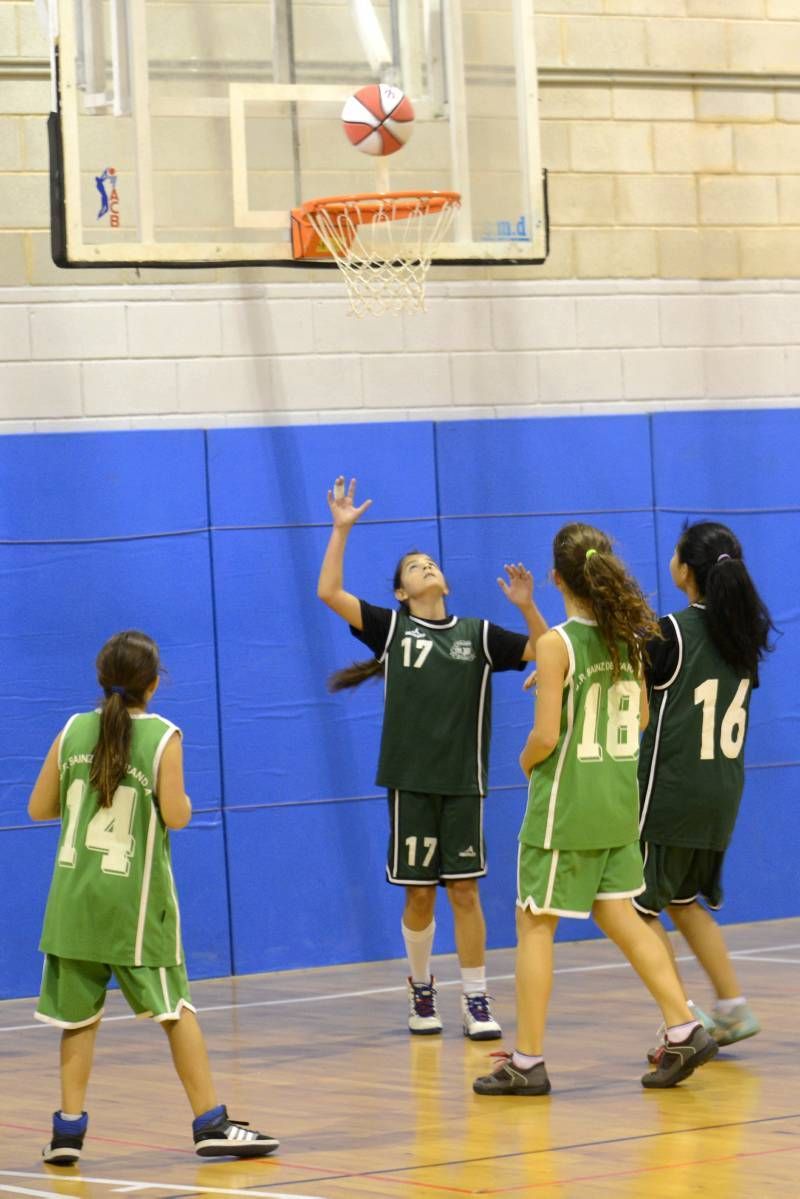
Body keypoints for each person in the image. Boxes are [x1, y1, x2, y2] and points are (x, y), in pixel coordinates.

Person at [473, 523, 719, 1096]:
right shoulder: (629, 639)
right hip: (616, 805)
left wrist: (526, 761)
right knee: (622, 918)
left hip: (566, 809)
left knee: (534, 924)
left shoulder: (558, 644)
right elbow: (640, 722)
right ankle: (683, 1025)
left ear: (557, 577)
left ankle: (527, 1062)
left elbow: (546, 736)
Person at [29, 630, 278, 1165]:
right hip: (134, 906)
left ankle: (66, 1133)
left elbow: (38, 807)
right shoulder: (164, 736)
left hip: (72, 904)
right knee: (175, 1009)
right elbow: (178, 815)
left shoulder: (72, 728)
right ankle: (210, 1122)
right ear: (154, 683)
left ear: (101, 677)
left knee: (78, 1020)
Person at [317, 477, 546, 1040]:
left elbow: (546, 649)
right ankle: (422, 991)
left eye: (429, 562)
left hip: (463, 782)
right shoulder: (393, 628)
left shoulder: (479, 633)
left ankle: (475, 999)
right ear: (401, 592)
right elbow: (329, 592)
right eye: (413, 566)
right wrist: (340, 530)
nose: (425, 567)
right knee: (420, 894)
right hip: (411, 781)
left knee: (465, 891)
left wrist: (529, 606)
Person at [635, 521, 776, 1051]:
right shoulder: (742, 639)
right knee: (685, 900)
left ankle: (682, 1022)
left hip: (672, 790)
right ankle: (733, 1006)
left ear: (686, 570)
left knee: (636, 908)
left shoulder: (670, 631)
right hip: (722, 790)